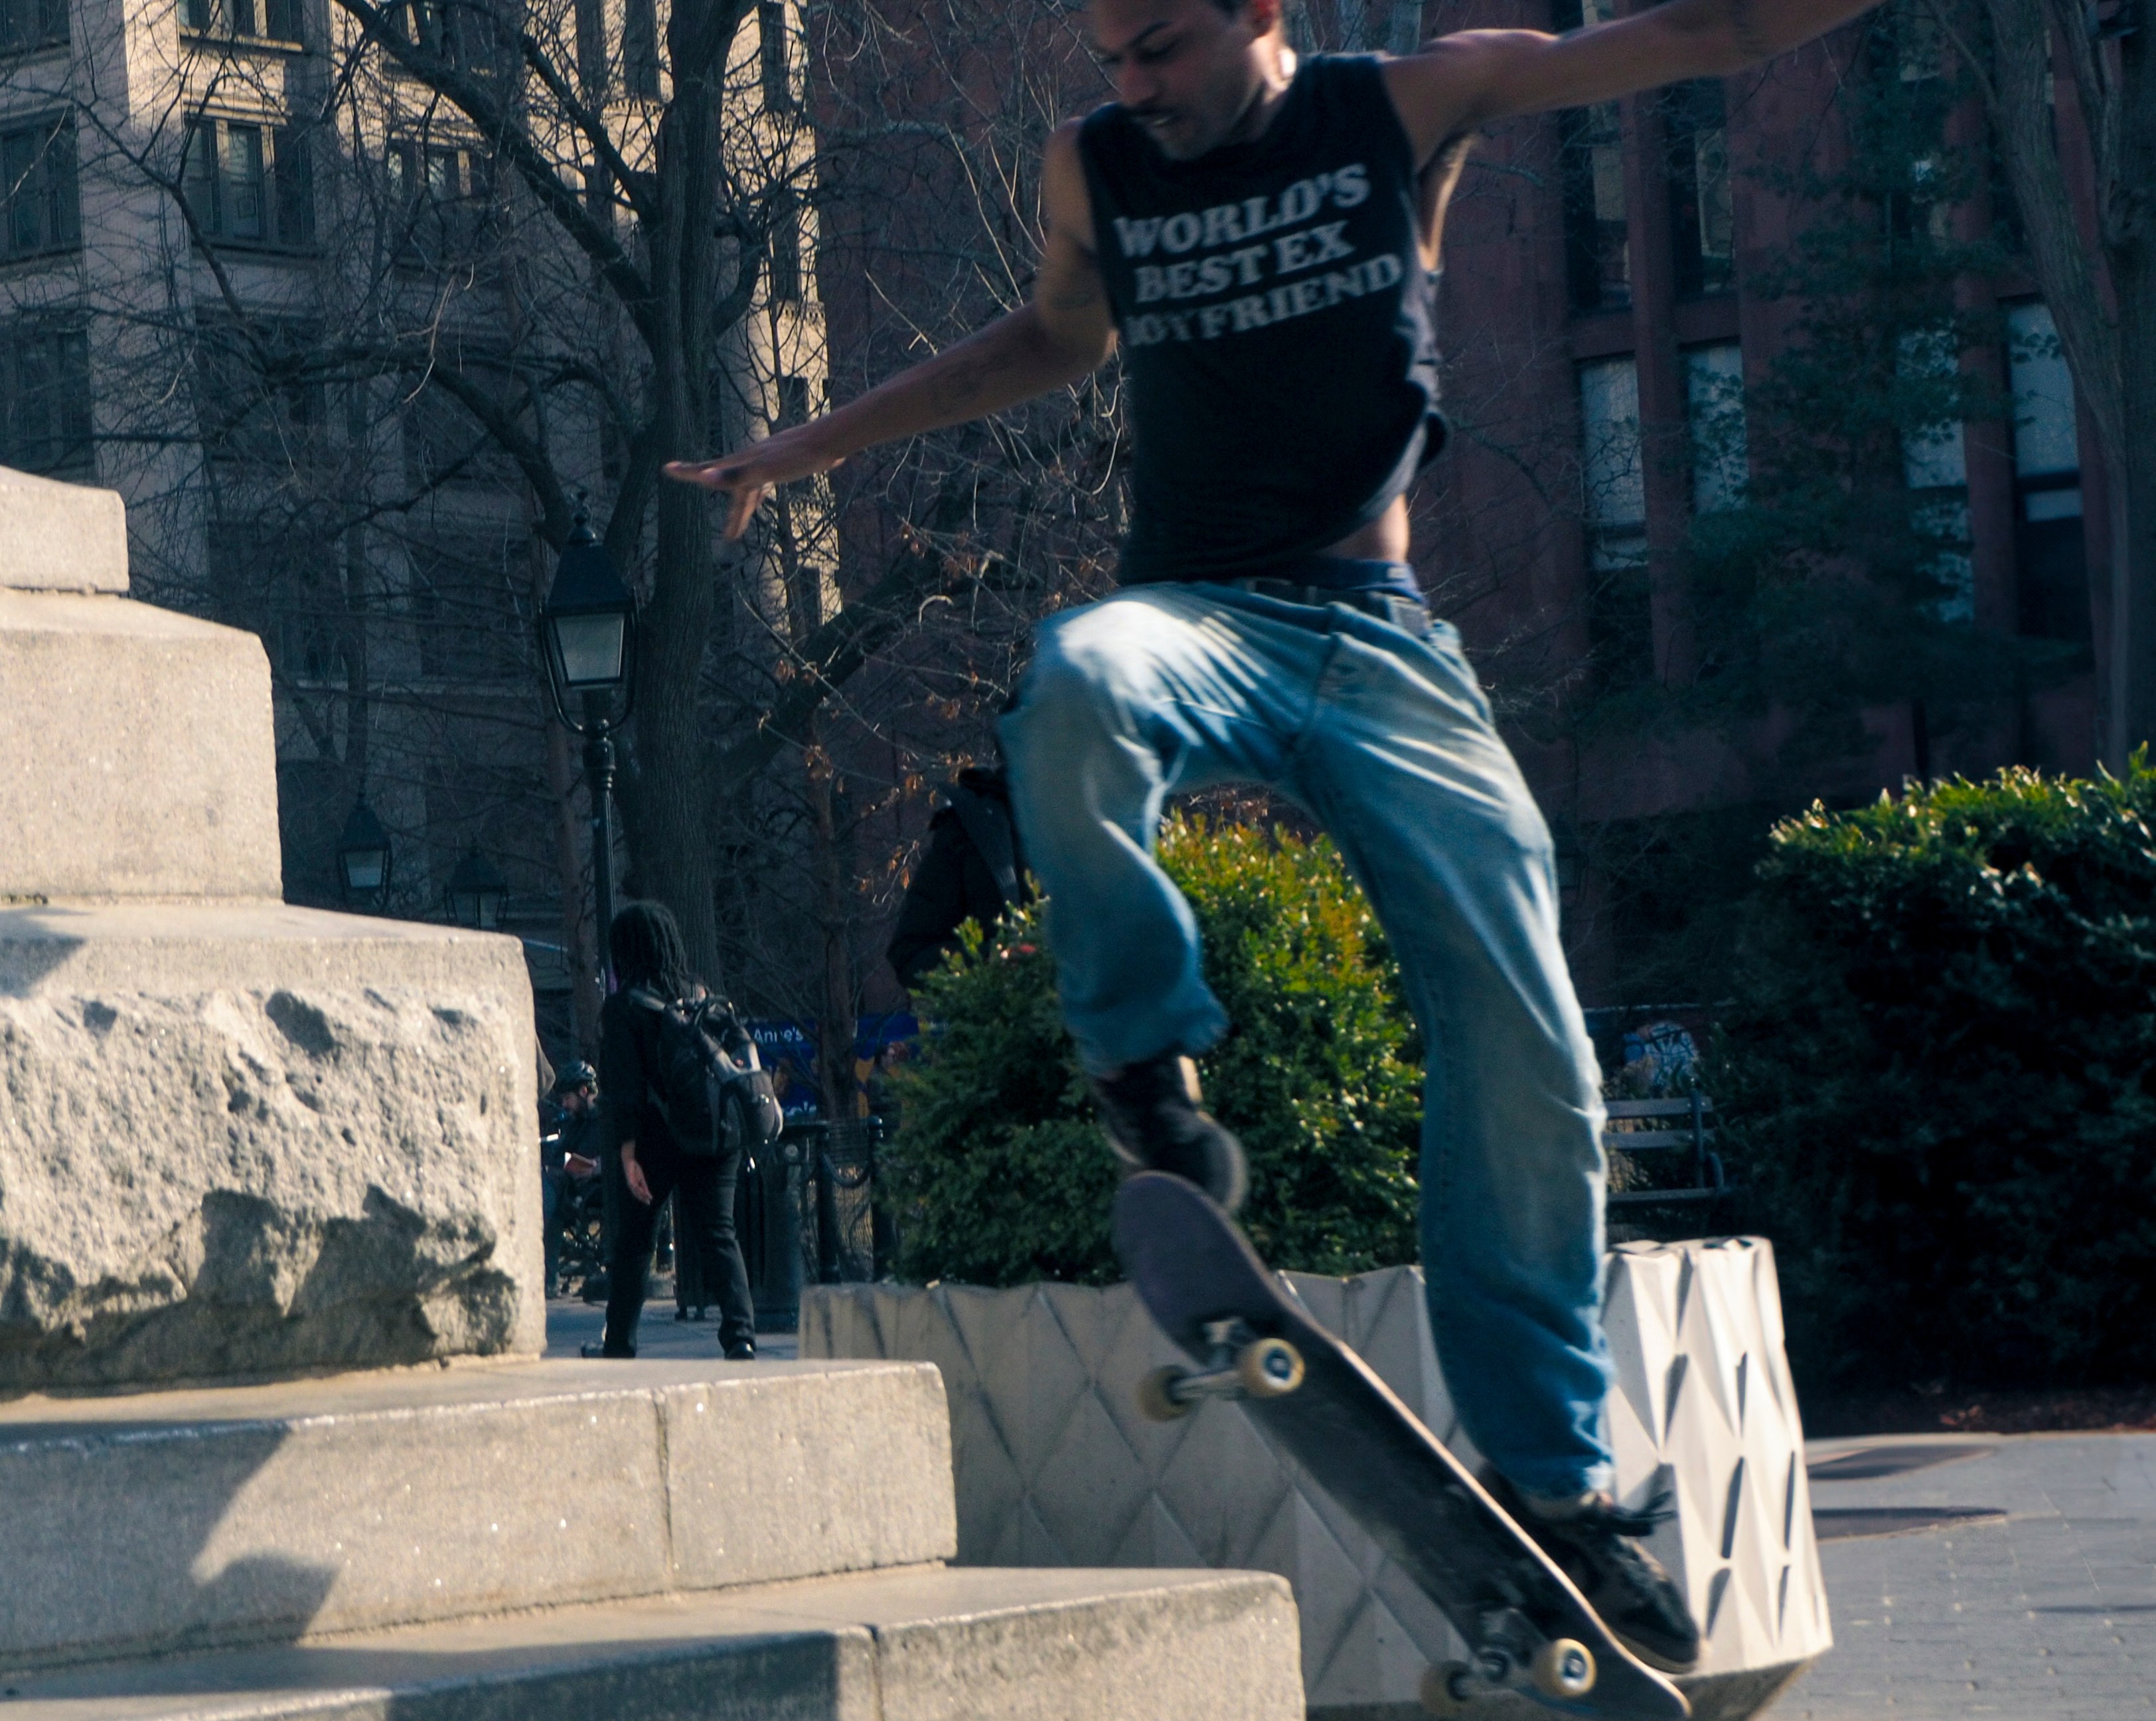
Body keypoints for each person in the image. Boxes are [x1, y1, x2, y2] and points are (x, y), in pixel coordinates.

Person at [666, 0, 1885, 1673]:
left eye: (1163, 46)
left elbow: (1699, 37)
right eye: (1111, 58)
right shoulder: (1096, 163)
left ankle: (1558, 1488)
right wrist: (812, 446)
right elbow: (1048, 340)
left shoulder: (1415, 101)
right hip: (1195, 617)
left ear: (1263, 14)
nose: (1134, 87)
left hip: (1378, 636)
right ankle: (1147, 1081)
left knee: (1523, 1019)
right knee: (1076, 685)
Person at [583, 901, 757, 1361]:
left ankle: (619, 1341)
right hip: (717, 1133)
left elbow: (625, 1089)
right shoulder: (702, 996)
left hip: (659, 1136)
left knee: (636, 1239)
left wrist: (627, 1154)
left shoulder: (625, 1009)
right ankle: (740, 1334)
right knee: (720, 1234)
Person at [886, 763, 1033, 988]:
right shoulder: (971, 828)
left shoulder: (1100, 826)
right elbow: (911, 957)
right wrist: (993, 960)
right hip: (1004, 1016)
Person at [539, 1060, 600, 1296]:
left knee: (549, 1193)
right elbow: (561, 1156)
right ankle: (549, 1280)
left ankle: (547, 1277)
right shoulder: (578, 1121)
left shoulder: (601, 1119)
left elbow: (587, 1161)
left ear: (584, 1092)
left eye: (568, 1098)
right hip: (571, 1188)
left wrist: (563, 1164)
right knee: (550, 1195)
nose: (565, 1104)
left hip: (595, 1188)